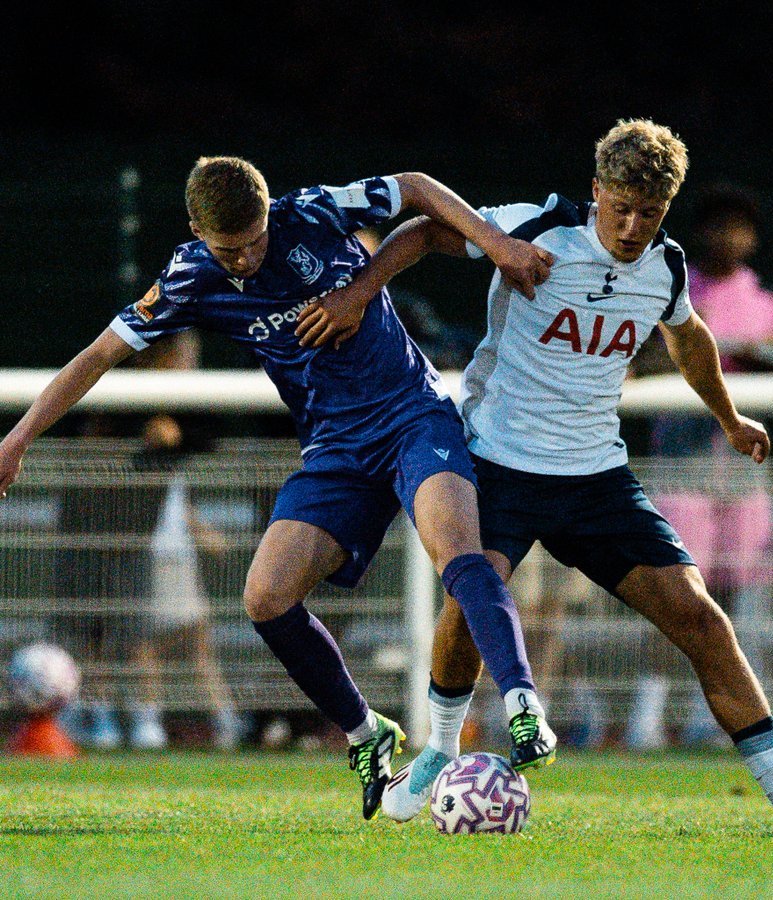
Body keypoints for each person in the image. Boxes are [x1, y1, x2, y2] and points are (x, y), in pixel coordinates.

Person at [298, 119, 773, 835]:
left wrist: (728, 417)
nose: (633, 226)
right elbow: (420, 231)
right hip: (497, 462)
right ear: (596, 190)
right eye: (622, 207)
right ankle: (438, 752)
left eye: (651, 213)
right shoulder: (538, 228)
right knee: (471, 605)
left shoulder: (665, 266)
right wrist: (359, 293)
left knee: (701, 618)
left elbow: (687, 335)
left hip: (596, 477)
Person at [0, 159, 557, 820]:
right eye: (230, 248)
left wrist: (494, 243)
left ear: (270, 215)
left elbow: (413, 188)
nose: (246, 258)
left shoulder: (313, 211)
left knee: (459, 556)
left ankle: (524, 706)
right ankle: (364, 733)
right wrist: (18, 439)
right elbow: (96, 356)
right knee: (265, 597)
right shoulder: (189, 276)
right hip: (335, 452)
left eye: (257, 240)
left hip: (412, 418)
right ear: (196, 231)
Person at [625, 184, 773, 749]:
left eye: (740, 226)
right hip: (680, 464)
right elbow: (649, 356)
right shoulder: (671, 284)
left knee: (738, 598)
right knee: (674, 593)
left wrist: (753, 349)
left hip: (742, 471)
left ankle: (721, 718)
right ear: (698, 232)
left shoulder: (766, 301)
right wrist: (723, 347)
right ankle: (647, 715)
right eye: (719, 225)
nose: (730, 237)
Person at [130, 413, 243, 750]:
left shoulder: (174, 470)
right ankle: (148, 721)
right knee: (149, 645)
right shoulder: (146, 463)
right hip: (158, 557)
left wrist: (207, 536)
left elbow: (182, 510)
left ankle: (223, 718)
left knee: (194, 645)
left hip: (178, 559)